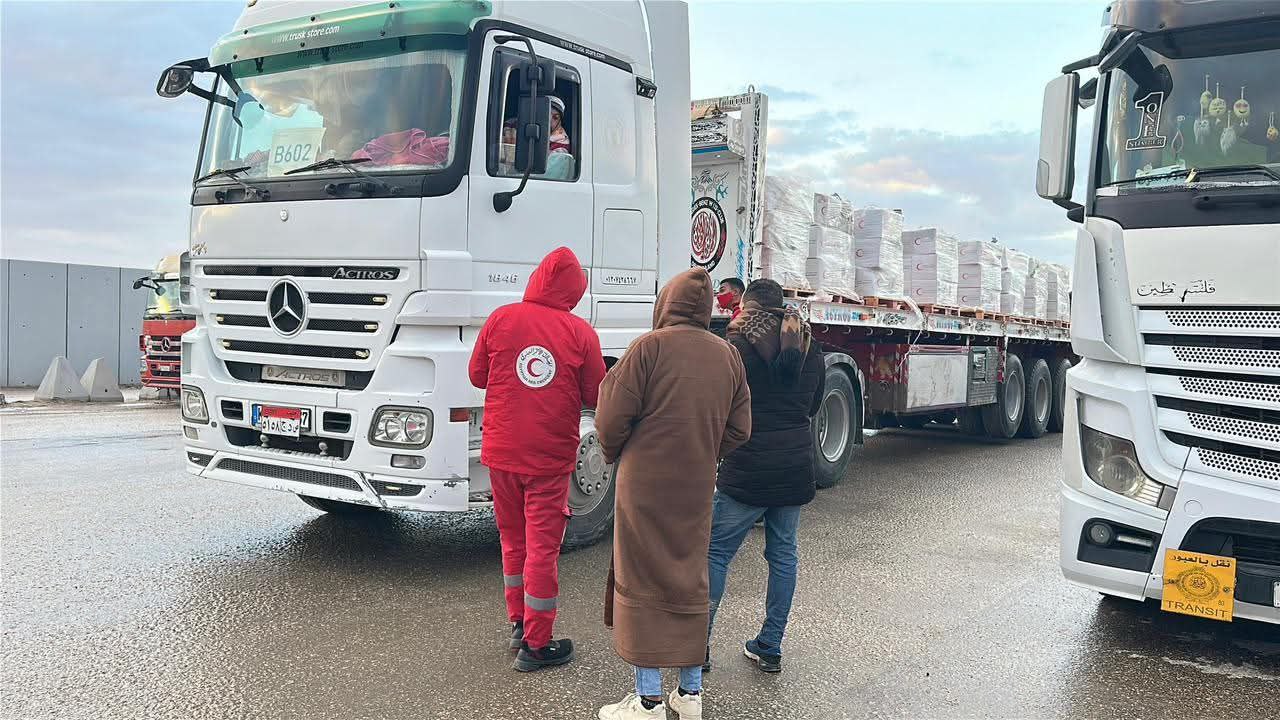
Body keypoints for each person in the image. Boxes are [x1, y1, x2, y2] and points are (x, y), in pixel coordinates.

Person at [595, 268, 752, 720]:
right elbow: (740, 428)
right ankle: (690, 693)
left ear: (666, 304)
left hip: (644, 485)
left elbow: (609, 420)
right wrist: (705, 451)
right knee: (688, 578)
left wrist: (618, 452)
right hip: (696, 483)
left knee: (643, 577)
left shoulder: (648, 348)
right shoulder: (727, 355)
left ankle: (647, 700)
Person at [467, 246, 607, 672]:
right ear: (574, 290)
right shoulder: (581, 333)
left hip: (501, 454)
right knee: (542, 550)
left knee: (513, 542)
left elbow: (477, 376)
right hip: (548, 458)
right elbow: (596, 394)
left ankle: (518, 624)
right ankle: (536, 643)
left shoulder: (501, 319)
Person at [705, 279, 825, 675]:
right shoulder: (810, 346)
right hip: (794, 467)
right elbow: (813, 405)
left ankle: (697, 645)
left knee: (716, 553)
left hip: (748, 466)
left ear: (748, 305)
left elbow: (721, 404)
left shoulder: (736, 345)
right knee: (783, 555)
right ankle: (770, 645)